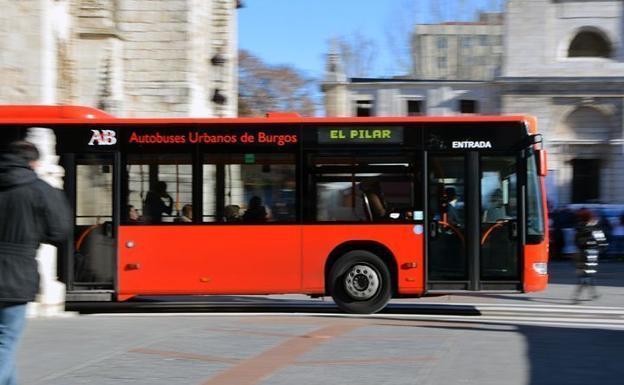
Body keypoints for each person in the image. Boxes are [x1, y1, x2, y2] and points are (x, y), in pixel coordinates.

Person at [0, 141, 71, 385]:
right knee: (6, 340)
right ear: (35, 163)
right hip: (18, 273)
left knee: (4, 343)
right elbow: (59, 231)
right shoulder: (40, 189)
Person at [572, 209, 607, 303]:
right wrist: (599, 248)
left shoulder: (579, 227)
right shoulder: (595, 228)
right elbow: (602, 243)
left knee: (587, 274)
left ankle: (593, 294)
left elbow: (575, 241)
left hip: (580, 253)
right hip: (592, 253)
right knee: (587, 275)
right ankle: (576, 296)